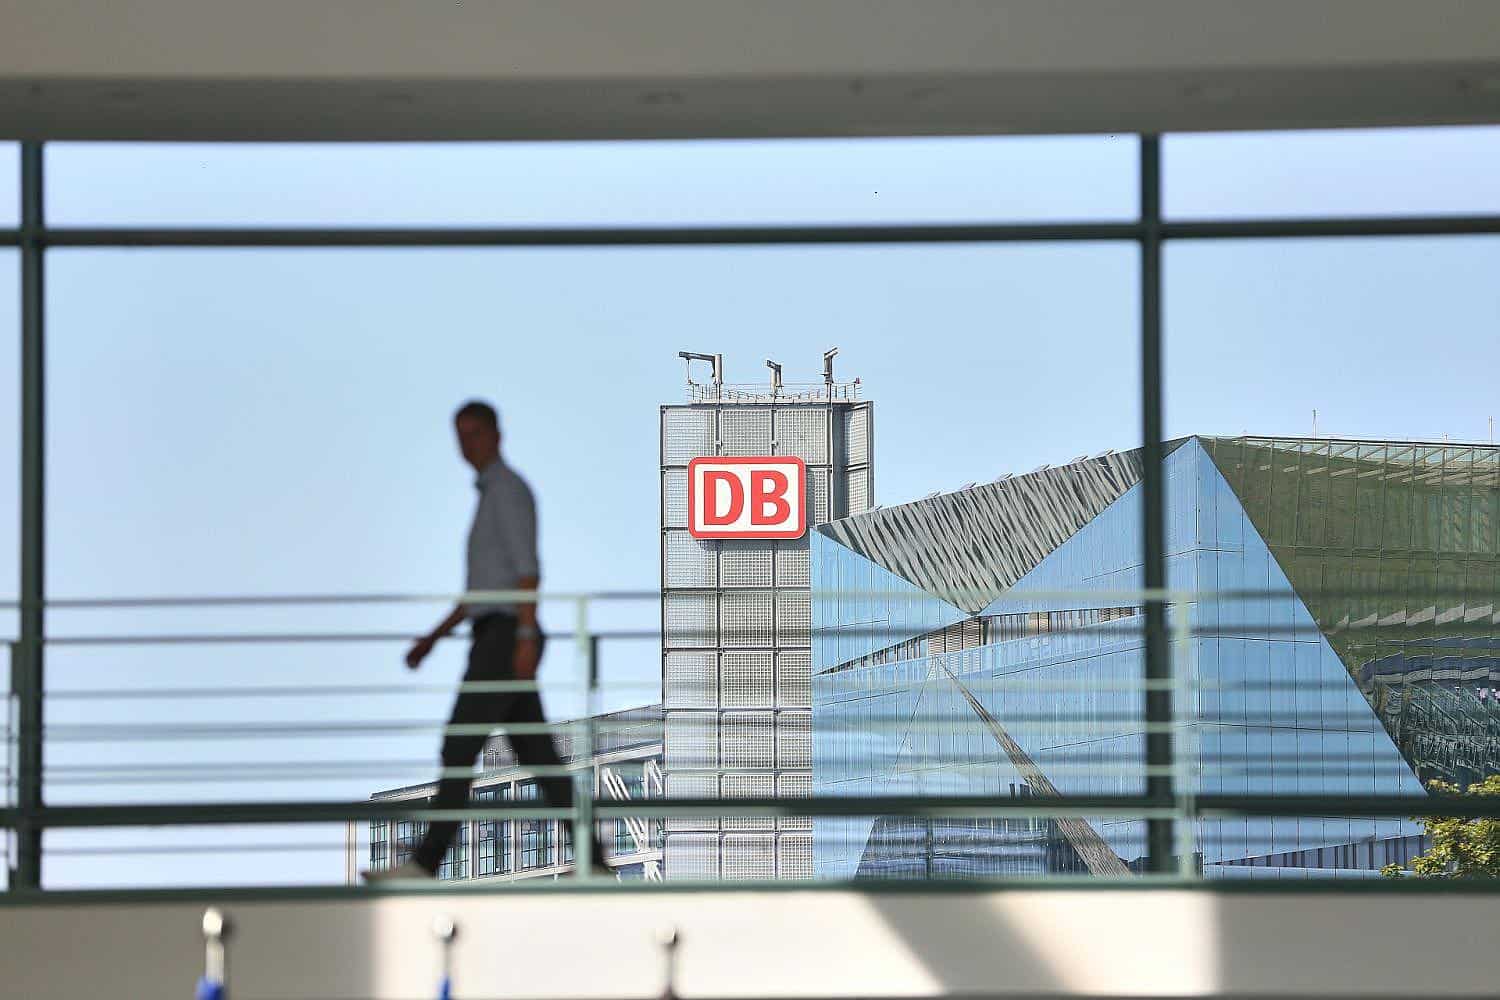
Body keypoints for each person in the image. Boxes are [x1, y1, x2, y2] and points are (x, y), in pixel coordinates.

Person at [365, 399, 607, 881]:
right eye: (461, 435)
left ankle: (426, 863)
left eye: (474, 433)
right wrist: (433, 638)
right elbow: (481, 592)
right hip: (499, 632)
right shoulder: (492, 495)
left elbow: (527, 571)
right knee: (538, 756)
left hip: (503, 636)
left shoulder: (507, 492)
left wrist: (524, 636)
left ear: (496, 435)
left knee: (460, 745)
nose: (466, 444)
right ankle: (594, 861)